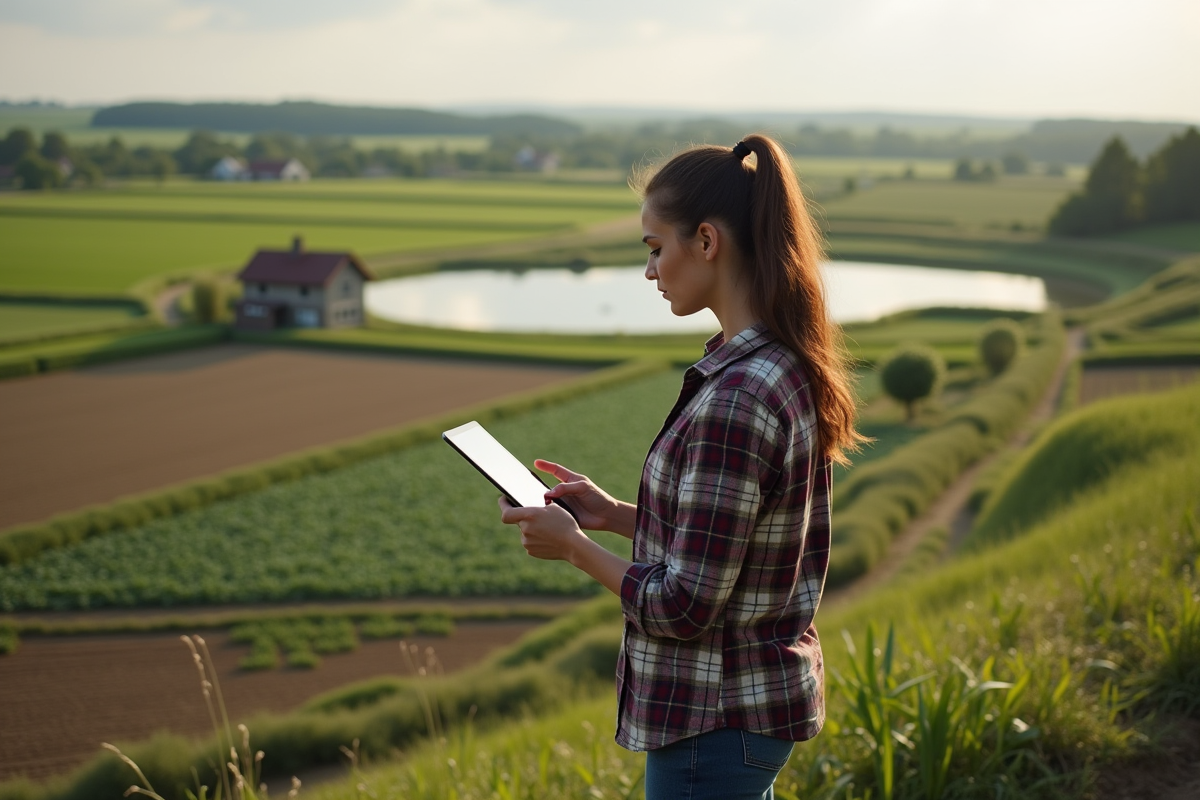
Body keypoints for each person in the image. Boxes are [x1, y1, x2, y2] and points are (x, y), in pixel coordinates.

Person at [497, 134, 864, 799]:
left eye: (653, 248)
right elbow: (734, 541)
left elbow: (685, 606)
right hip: (746, 716)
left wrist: (575, 549)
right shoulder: (775, 364)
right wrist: (612, 516)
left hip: (711, 722)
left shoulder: (736, 398)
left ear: (706, 241)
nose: (649, 271)